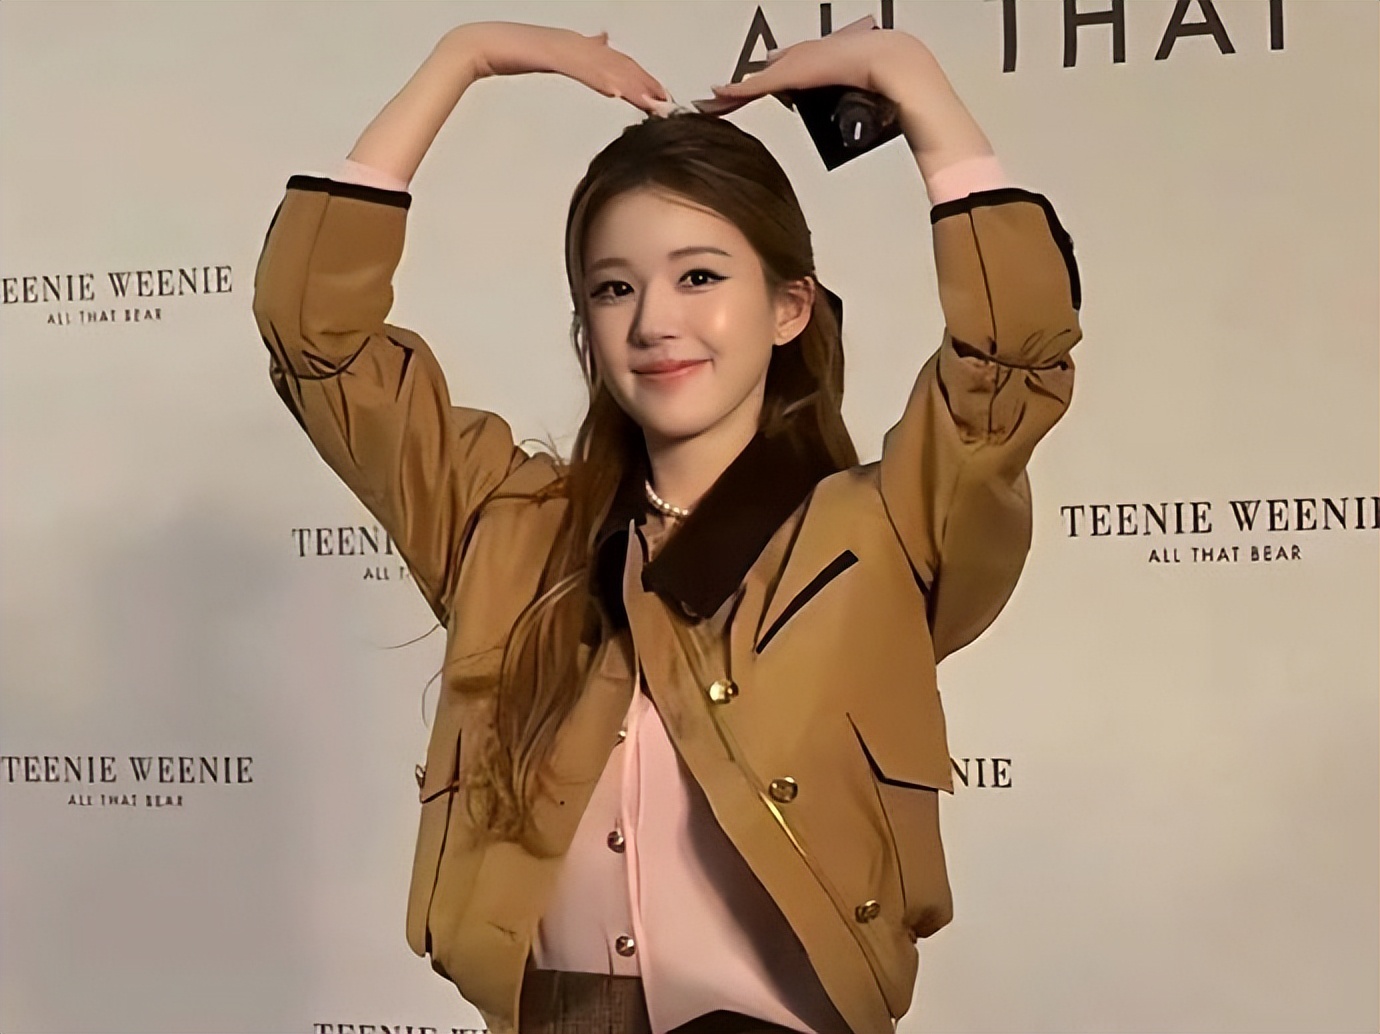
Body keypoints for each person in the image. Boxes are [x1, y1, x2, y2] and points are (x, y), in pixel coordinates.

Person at [252, 14, 1082, 1034]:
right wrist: (463, 57)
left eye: (699, 276)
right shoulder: (508, 526)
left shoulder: (883, 531)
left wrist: (912, 85)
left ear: (790, 307)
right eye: (614, 288)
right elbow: (315, 334)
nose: (653, 321)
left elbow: (1010, 361)